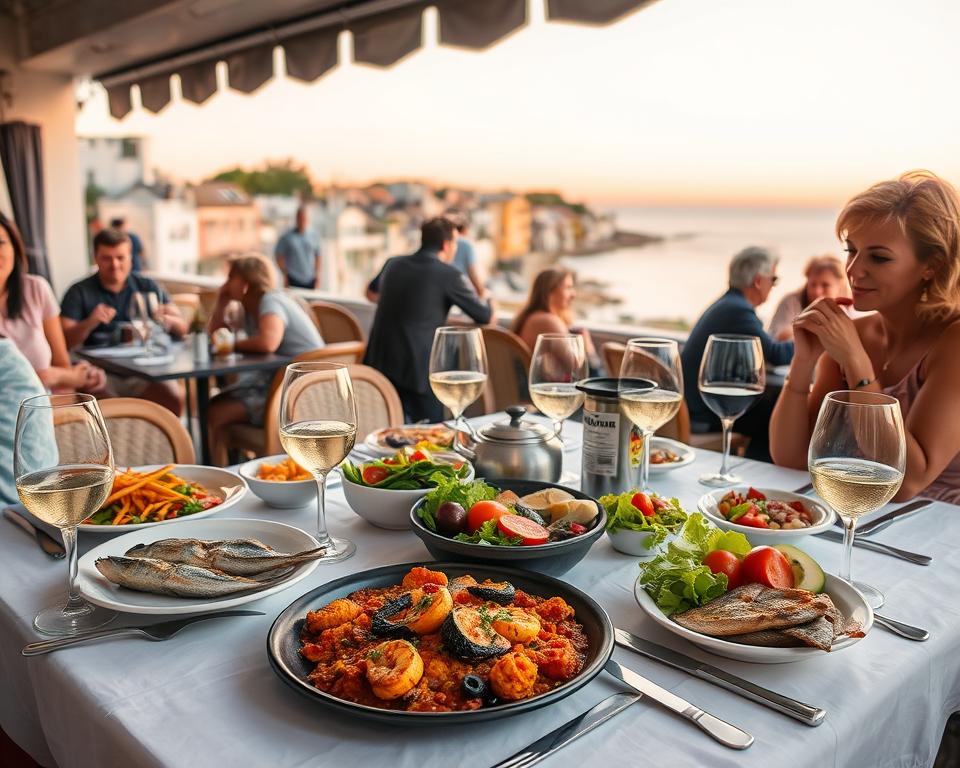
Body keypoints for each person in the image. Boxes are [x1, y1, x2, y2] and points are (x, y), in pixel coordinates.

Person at [771, 170, 960, 503]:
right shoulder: (854, 334)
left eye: (879, 257)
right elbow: (792, 456)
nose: (854, 269)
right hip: (865, 523)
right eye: (851, 250)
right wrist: (804, 360)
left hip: (942, 538)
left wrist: (856, 362)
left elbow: (907, 482)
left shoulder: (953, 342)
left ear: (932, 265)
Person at [364, 217, 496, 422]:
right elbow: (486, 316)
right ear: (446, 244)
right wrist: (487, 296)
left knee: (387, 434)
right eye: (455, 243)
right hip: (417, 372)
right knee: (429, 439)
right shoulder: (449, 274)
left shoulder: (393, 263)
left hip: (378, 365)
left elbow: (370, 293)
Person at [206, 253, 324, 466]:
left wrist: (231, 345)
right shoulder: (250, 307)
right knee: (214, 406)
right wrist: (222, 302)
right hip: (277, 385)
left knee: (215, 412)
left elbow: (268, 342)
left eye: (230, 277)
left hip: (299, 392)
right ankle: (228, 467)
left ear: (244, 282)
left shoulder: (271, 300)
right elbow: (215, 338)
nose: (225, 283)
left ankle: (222, 475)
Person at [680, 246, 793, 461]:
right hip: (701, 412)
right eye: (774, 279)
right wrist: (815, 338)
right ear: (759, 281)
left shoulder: (728, 304)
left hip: (697, 404)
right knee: (777, 419)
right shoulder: (737, 310)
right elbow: (777, 353)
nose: (773, 286)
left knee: (771, 412)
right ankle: (761, 479)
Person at [60, 227, 187, 414]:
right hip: (102, 372)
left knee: (172, 400)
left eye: (121, 258)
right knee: (115, 410)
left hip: (143, 371)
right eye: (107, 258)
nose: (115, 265)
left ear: (130, 258)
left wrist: (168, 318)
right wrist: (90, 322)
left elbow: (182, 328)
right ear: (95, 258)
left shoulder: (148, 285)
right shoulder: (79, 291)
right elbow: (65, 341)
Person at [0, 214, 105, 392]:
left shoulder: (36, 290)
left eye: (0, 243)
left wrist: (61, 376)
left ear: (14, 247)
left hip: (45, 411)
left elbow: (62, 367)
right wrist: (47, 377)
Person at [511, 267, 599, 369]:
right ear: (550, 291)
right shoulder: (548, 321)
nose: (573, 294)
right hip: (540, 384)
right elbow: (575, 367)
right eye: (568, 287)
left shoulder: (529, 317)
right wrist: (585, 344)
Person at [768, 255, 850, 340]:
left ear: (840, 285)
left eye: (825, 285)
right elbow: (778, 336)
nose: (817, 291)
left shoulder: (850, 309)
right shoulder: (791, 302)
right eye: (813, 284)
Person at [275, 206, 321, 290]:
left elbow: (318, 256)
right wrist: (285, 274)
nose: (302, 221)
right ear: (296, 219)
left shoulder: (314, 235)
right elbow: (278, 256)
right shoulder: (287, 237)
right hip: (293, 278)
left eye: (304, 218)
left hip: (310, 278)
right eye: (300, 218)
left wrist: (317, 275)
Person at [448, 213, 486, 298]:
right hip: (460, 286)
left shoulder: (447, 241)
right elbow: (472, 272)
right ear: (465, 230)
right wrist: (481, 292)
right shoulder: (466, 244)